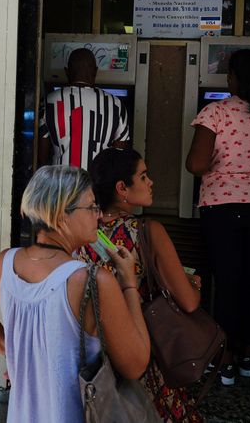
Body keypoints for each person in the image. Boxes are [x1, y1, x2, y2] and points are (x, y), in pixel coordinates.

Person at [0, 165, 150, 423]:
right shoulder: (93, 281)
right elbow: (135, 364)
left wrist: (16, 355)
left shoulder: (6, 264)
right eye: (91, 207)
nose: (99, 215)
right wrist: (129, 285)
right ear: (61, 217)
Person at [185, 48, 250, 386]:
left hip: (223, 205)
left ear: (233, 78)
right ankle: (248, 355)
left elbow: (196, 165)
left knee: (227, 281)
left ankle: (225, 358)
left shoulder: (215, 112)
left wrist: (223, 165)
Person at [79, 147, 204, 422]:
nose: (151, 182)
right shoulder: (148, 232)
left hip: (92, 357)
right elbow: (189, 302)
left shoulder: (81, 233)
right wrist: (194, 284)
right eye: (144, 176)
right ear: (122, 187)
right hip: (141, 352)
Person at [37, 48, 130, 170]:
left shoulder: (48, 102)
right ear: (95, 71)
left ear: (67, 72)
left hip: (61, 184)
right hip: (97, 185)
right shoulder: (116, 105)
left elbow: (41, 157)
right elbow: (119, 156)